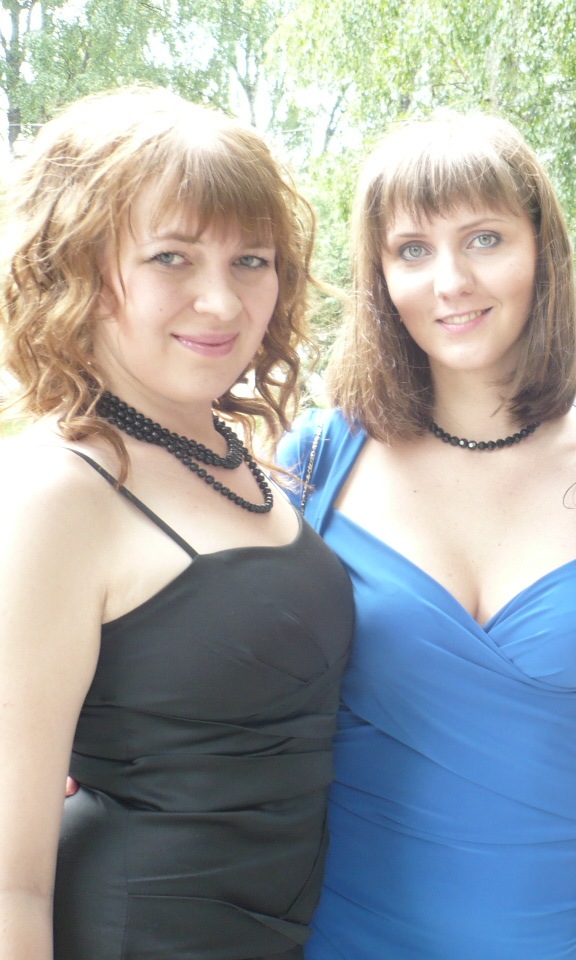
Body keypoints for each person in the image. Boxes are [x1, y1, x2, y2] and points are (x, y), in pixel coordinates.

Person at [0, 88, 354, 960]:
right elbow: (10, 879)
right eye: (171, 258)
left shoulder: (234, 452)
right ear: (76, 265)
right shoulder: (57, 491)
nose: (222, 302)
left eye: (251, 260)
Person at [277, 113, 576, 960]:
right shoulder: (316, 461)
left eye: (484, 239)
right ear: (380, 275)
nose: (451, 281)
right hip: (350, 932)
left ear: (542, 250)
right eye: (412, 250)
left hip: (558, 935)